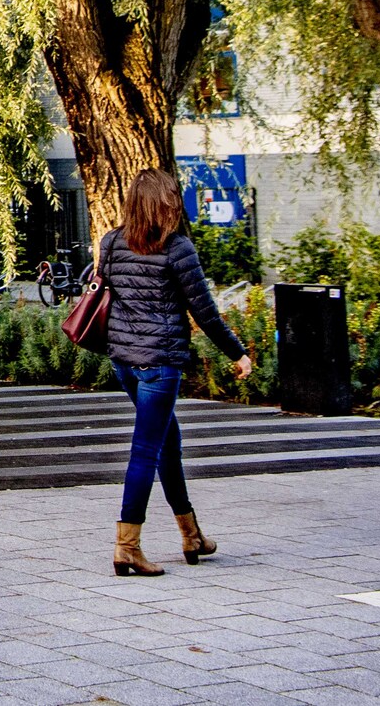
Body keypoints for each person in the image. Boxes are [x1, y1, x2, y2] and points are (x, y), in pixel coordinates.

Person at [101, 167, 254, 578]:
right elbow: (204, 311)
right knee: (145, 451)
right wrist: (238, 353)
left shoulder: (112, 242)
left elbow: (109, 293)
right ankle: (127, 546)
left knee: (168, 441)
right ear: (166, 204)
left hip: (124, 362)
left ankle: (192, 535)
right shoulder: (178, 248)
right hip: (160, 363)